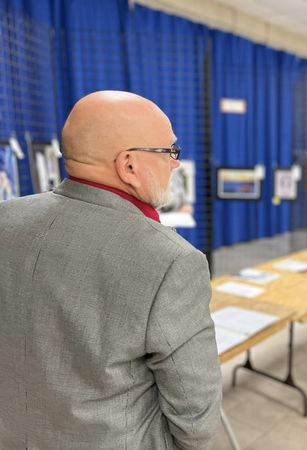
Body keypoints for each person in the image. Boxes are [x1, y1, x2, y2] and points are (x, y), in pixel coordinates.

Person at [0, 91, 222, 449]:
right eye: (169, 151)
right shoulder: (172, 261)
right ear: (129, 165)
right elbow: (196, 417)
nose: (176, 164)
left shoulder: (4, 219)